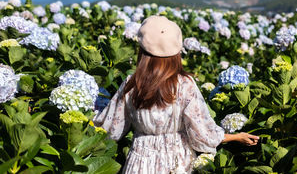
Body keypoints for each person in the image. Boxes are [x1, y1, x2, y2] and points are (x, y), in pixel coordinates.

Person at [93, 15, 259, 174]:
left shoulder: (132, 83)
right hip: (177, 162)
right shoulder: (185, 84)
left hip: (140, 163)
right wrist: (236, 137)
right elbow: (202, 133)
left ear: (142, 51)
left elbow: (110, 129)